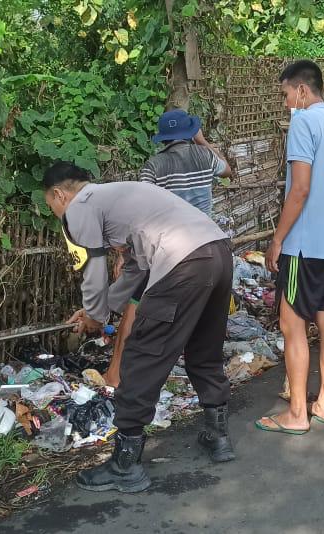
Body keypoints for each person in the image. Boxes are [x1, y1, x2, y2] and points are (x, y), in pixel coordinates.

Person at [46, 162, 236, 494]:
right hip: (218, 254)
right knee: (204, 350)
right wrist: (104, 309)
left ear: (60, 195)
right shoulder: (120, 196)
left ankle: (125, 464)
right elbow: (135, 271)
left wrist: (94, 314)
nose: (55, 215)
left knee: (142, 357)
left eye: (51, 206)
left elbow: (92, 266)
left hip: (182, 263)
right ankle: (218, 437)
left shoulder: (80, 207)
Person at [257, 60, 324, 435]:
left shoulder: (304, 122)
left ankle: (297, 413)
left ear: (301, 90)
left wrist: (278, 238)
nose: (286, 104)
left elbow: (299, 189)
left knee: (291, 322)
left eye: (286, 94)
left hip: (303, 244)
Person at [104, 110, 234, 388]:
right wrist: (203, 140)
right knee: (203, 318)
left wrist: (125, 255)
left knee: (135, 307)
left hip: (166, 251)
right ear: (190, 133)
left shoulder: (154, 166)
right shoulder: (205, 158)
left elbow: (138, 211)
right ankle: (203, 384)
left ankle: (115, 373)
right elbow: (228, 170)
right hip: (205, 251)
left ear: (162, 138)